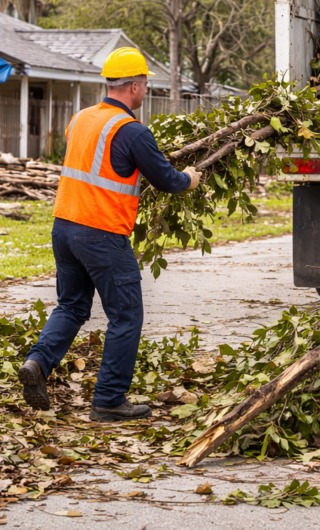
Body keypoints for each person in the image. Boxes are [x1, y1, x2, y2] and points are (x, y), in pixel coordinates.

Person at [19, 47, 202, 422]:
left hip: (64, 228)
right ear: (135, 86)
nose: (146, 90)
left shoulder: (81, 119)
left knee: (72, 305)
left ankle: (37, 363)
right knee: (126, 315)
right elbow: (166, 180)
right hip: (101, 233)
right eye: (146, 84)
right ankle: (108, 400)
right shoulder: (132, 131)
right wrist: (190, 180)